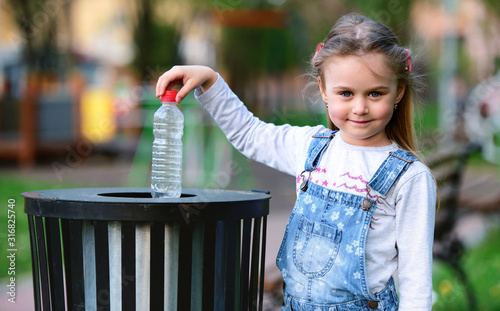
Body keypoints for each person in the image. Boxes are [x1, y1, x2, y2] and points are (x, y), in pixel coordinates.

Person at [156, 13, 436, 311]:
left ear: (399, 92)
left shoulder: (410, 177)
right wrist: (211, 81)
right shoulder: (310, 147)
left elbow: (415, 278)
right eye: (346, 93)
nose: (360, 107)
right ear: (324, 91)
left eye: (375, 93)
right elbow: (249, 134)